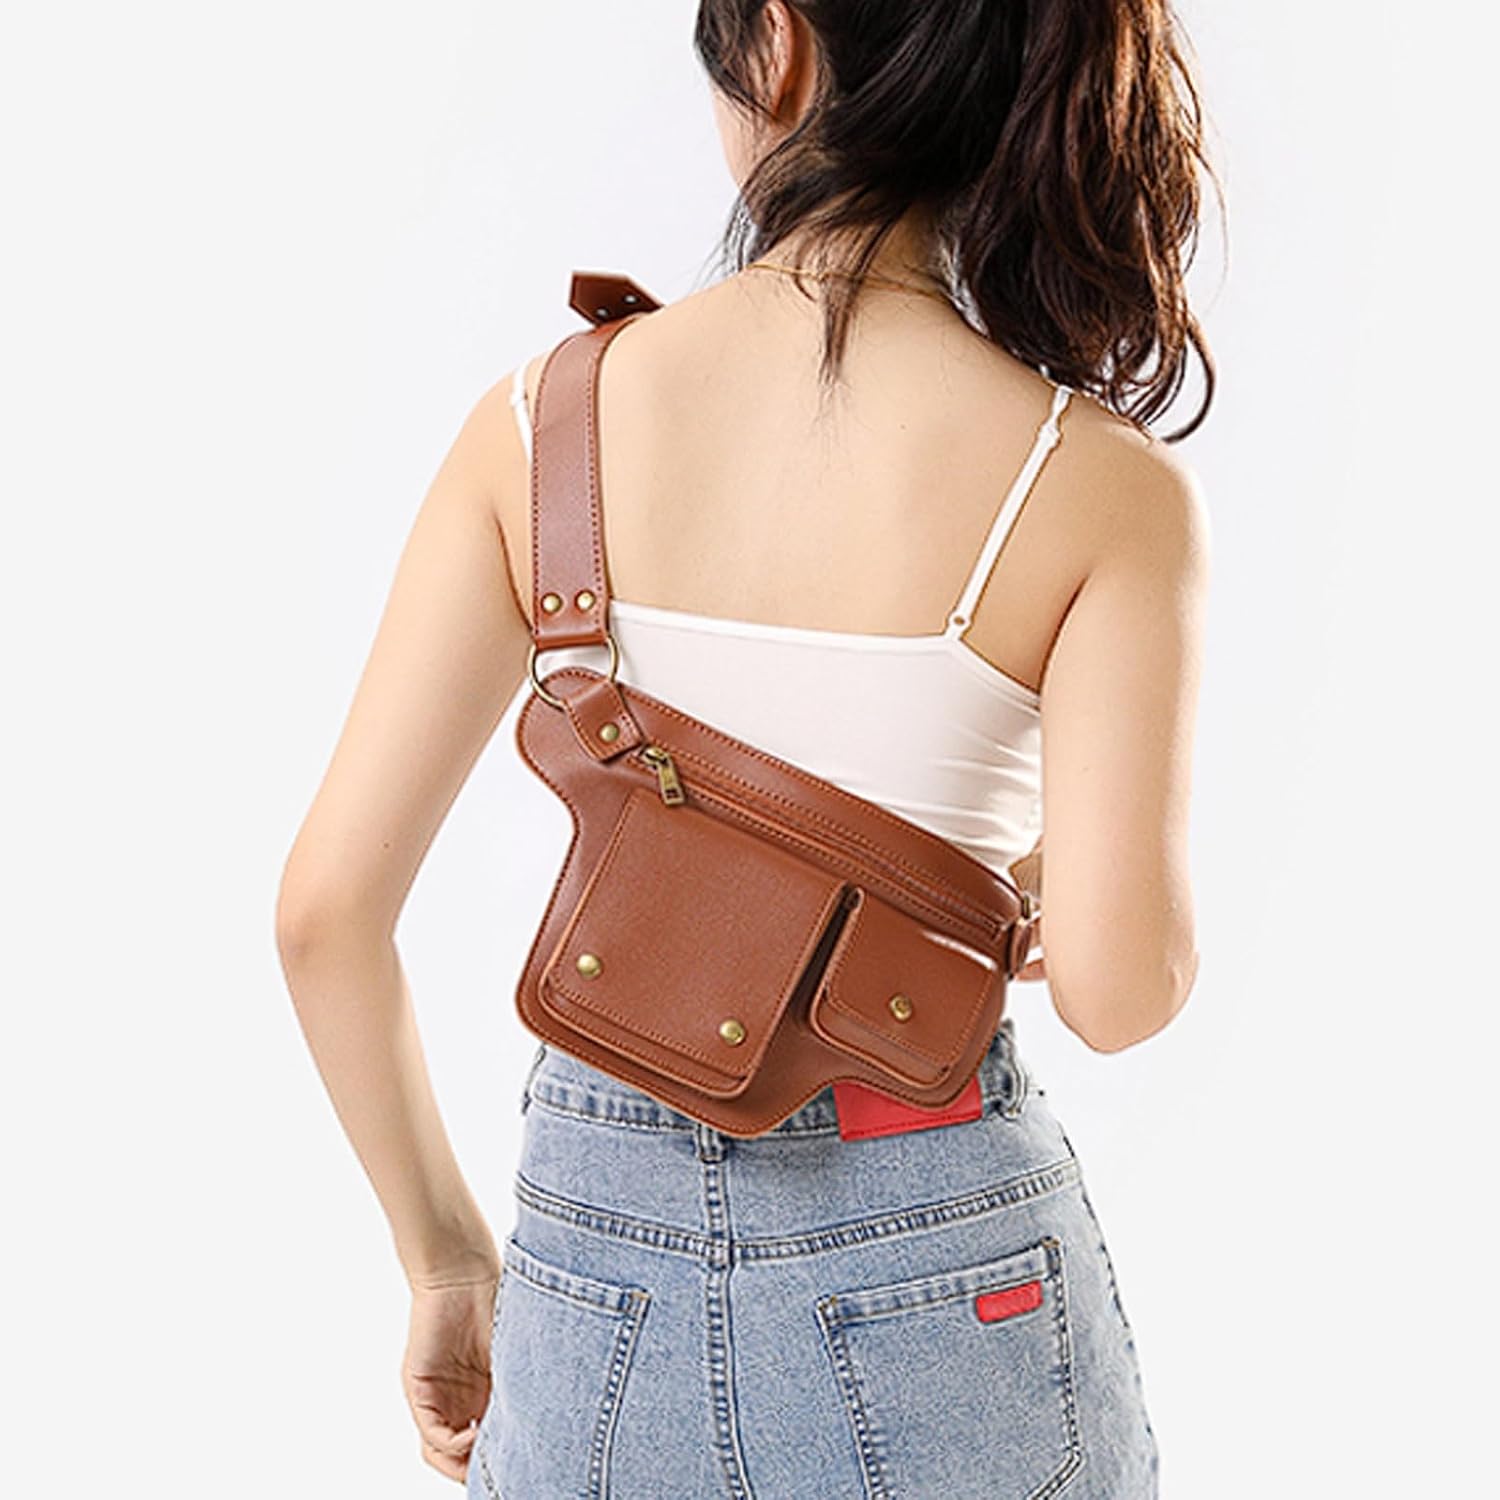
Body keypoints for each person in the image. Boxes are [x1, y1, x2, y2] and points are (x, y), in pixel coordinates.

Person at [275, 1, 1215, 1494]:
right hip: (943, 1242)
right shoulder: (1097, 485)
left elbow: (325, 916)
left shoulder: (539, 427)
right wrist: (1035, 878)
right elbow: (1119, 989)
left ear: (773, 41)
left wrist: (447, 1262)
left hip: (590, 1272)